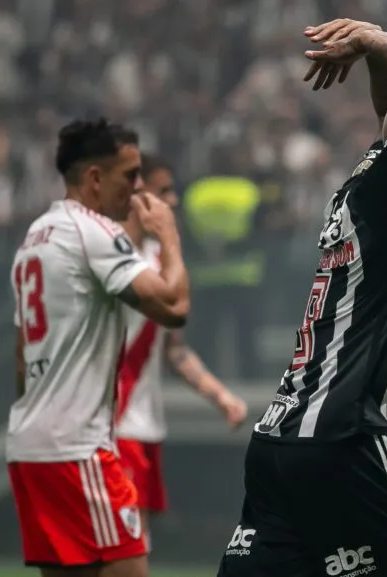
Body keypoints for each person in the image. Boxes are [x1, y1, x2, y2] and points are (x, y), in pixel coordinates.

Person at [217, 18, 387, 577]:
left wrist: (373, 58)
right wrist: (371, 37)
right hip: (349, 436)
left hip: (280, 441)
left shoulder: (369, 187)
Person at [7, 117, 190, 577]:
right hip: (78, 448)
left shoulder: (34, 237)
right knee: (130, 569)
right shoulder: (95, 232)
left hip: (30, 447)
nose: (138, 187)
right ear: (94, 177)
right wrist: (168, 233)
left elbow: (19, 359)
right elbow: (174, 307)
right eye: (129, 174)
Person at [115, 153, 249, 550]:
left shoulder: (161, 260)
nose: (174, 201)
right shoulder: (109, 253)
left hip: (142, 424)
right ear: (137, 196)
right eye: (164, 191)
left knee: (135, 546)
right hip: (107, 425)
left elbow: (175, 349)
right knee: (121, 551)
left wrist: (220, 396)